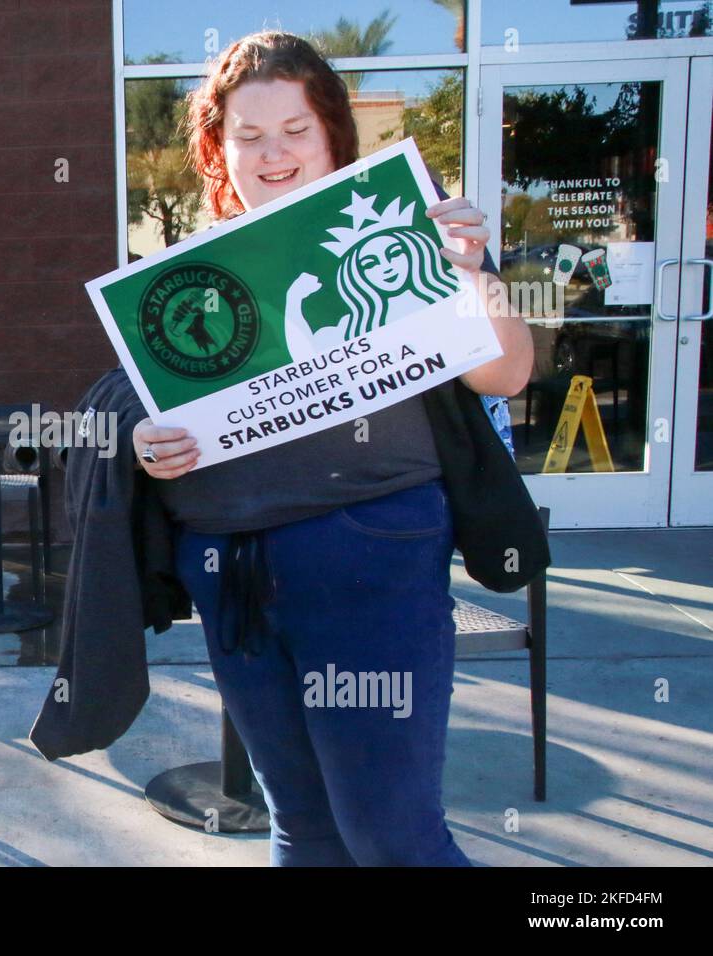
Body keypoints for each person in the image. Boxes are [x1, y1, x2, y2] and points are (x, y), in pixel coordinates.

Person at [128, 32, 534, 866]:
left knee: (392, 835)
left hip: (370, 553)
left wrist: (472, 273)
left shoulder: (417, 231)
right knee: (303, 829)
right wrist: (143, 442)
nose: (273, 153)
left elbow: (507, 374)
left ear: (333, 135)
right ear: (217, 146)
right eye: (249, 134)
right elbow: (137, 412)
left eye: (296, 129)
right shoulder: (184, 272)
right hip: (230, 568)